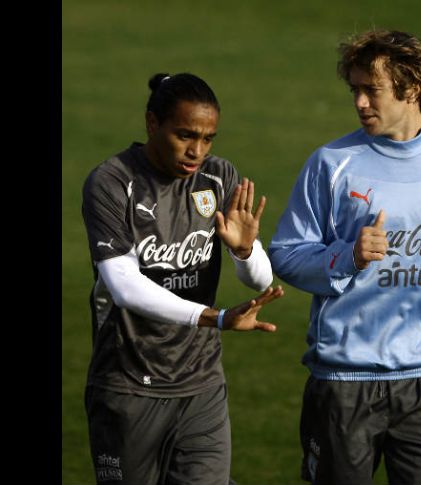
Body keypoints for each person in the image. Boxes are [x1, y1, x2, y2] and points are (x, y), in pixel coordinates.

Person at [268, 30, 421, 485]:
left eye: (370, 90)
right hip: (344, 379)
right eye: (354, 90)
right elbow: (286, 253)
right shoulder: (332, 163)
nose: (359, 102)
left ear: (412, 87)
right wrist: (347, 257)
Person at [81, 72, 284, 485]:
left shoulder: (217, 177)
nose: (197, 151)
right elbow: (123, 286)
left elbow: (261, 280)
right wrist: (216, 318)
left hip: (201, 386)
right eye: (185, 135)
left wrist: (245, 251)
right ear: (152, 123)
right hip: (128, 385)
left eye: (208, 138)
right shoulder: (113, 182)